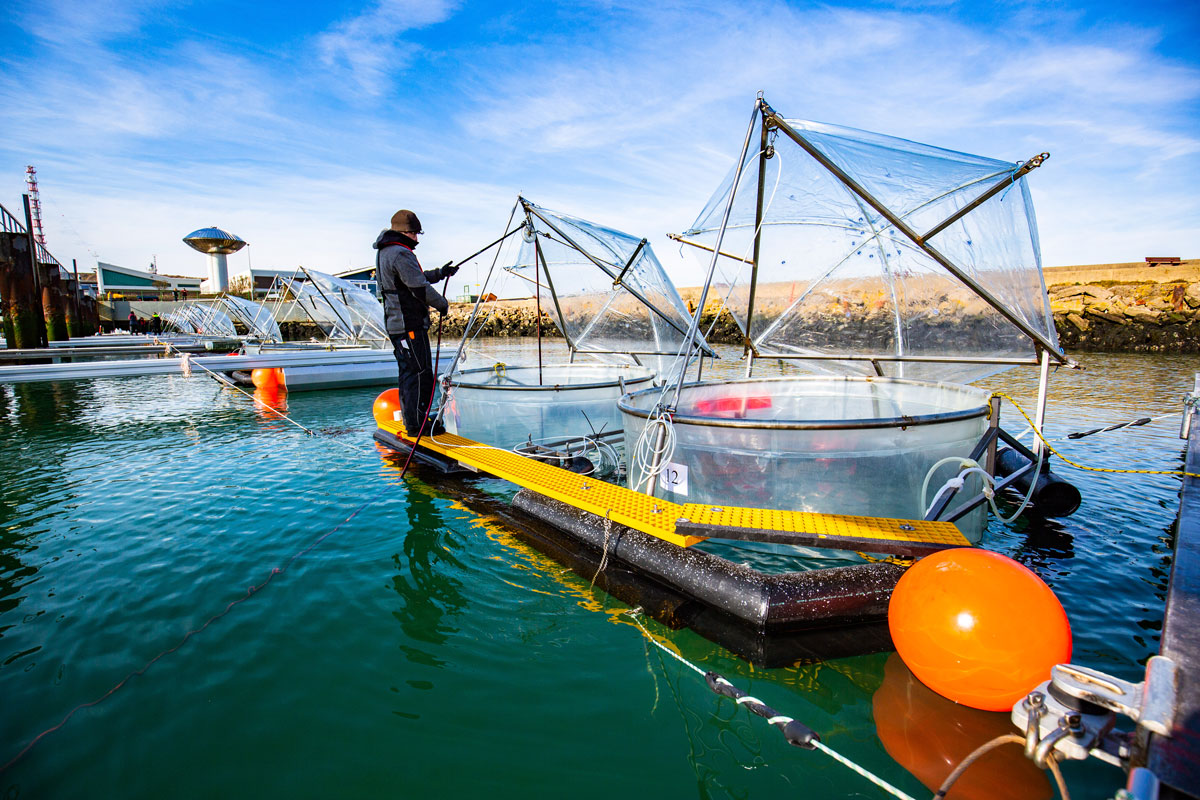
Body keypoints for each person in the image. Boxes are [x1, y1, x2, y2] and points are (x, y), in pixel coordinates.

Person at [374, 209, 458, 436]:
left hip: (398, 325)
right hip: (408, 324)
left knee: (409, 372)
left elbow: (413, 277)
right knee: (420, 373)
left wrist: (441, 273)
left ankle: (415, 418)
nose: (417, 238)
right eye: (413, 233)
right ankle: (416, 425)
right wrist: (441, 304)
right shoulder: (401, 254)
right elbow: (418, 287)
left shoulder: (387, 251)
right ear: (403, 232)